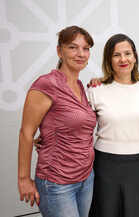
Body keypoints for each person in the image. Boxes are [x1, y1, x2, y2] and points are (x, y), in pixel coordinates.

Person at [17, 26, 96, 217]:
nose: (80, 54)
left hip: (86, 178)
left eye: (85, 49)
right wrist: (24, 179)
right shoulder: (46, 84)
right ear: (59, 51)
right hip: (57, 183)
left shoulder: (79, 85)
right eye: (73, 47)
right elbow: (26, 133)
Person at [87, 34, 139, 217]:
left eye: (127, 53)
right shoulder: (95, 91)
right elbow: (82, 130)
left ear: (135, 57)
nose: (123, 59)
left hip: (138, 165)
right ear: (108, 60)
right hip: (105, 166)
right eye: (116, 55)